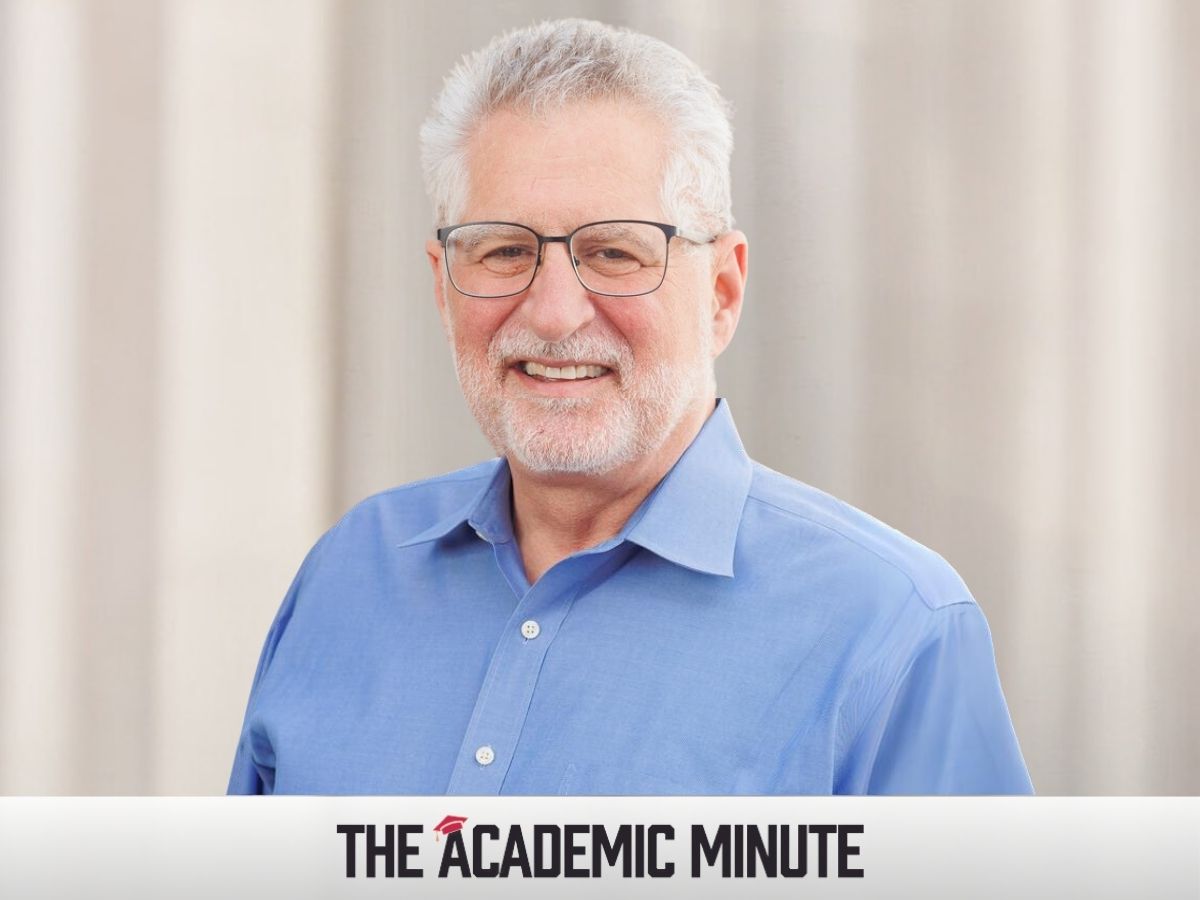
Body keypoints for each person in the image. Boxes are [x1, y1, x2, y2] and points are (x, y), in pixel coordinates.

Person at [228, 19, 1032, 795]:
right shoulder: (351, 576)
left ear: (721, 291)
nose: (551, 313)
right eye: (504, 250)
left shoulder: (893, 632)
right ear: (443, 286)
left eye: (614, 252)